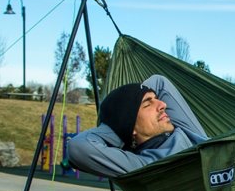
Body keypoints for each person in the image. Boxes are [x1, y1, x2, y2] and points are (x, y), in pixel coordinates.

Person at [68, 74, 208, 178]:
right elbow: (77, 147)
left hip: (218, 147)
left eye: (156, 99)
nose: (163, 105)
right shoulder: (143, 164)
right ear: (130, 127)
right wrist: (119, 127)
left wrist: (136, 94)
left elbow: (159, 82)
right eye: (147, 104)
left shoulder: (186, 131)